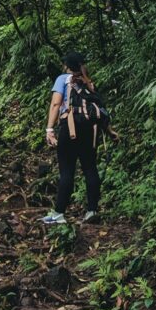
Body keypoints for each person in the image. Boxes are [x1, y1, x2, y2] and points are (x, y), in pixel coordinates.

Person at [42, 51, 104, 225]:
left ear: (67, 66)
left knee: (67, 170)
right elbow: (99, 108)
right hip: (89, 130)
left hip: (69, 128)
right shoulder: (88, 82)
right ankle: (92, 210)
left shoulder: (63, 79)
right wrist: (110, 131)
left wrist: (49, 129)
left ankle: (59, 213)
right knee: (90, 168)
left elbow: (56, 103)